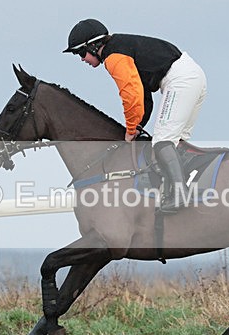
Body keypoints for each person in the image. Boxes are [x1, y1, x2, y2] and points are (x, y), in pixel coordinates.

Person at [63, 19, 207, 214]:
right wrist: (138, 126)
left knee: (162, 143)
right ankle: (182, 187)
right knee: (175, 142)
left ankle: (180, 194)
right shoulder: (123, 49)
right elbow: (144, 98)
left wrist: (131, 129)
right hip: (193, 75)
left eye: (81, 53)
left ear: (94, 45)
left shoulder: (114, 57)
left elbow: (131, 95)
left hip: (179, 80)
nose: (82, 59)